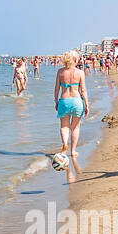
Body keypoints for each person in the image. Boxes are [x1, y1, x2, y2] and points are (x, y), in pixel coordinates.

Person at [53, 51, 89, 180]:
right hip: (77, 101)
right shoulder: (80, 73)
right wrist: (87, 104)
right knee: (75, 127)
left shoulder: (60, 72)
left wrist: (56, 101)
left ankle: (64, 145)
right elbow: (83, 90)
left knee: (64, 126)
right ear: (74, 59)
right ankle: (73, 151)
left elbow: (56, 88)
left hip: (64, 100)